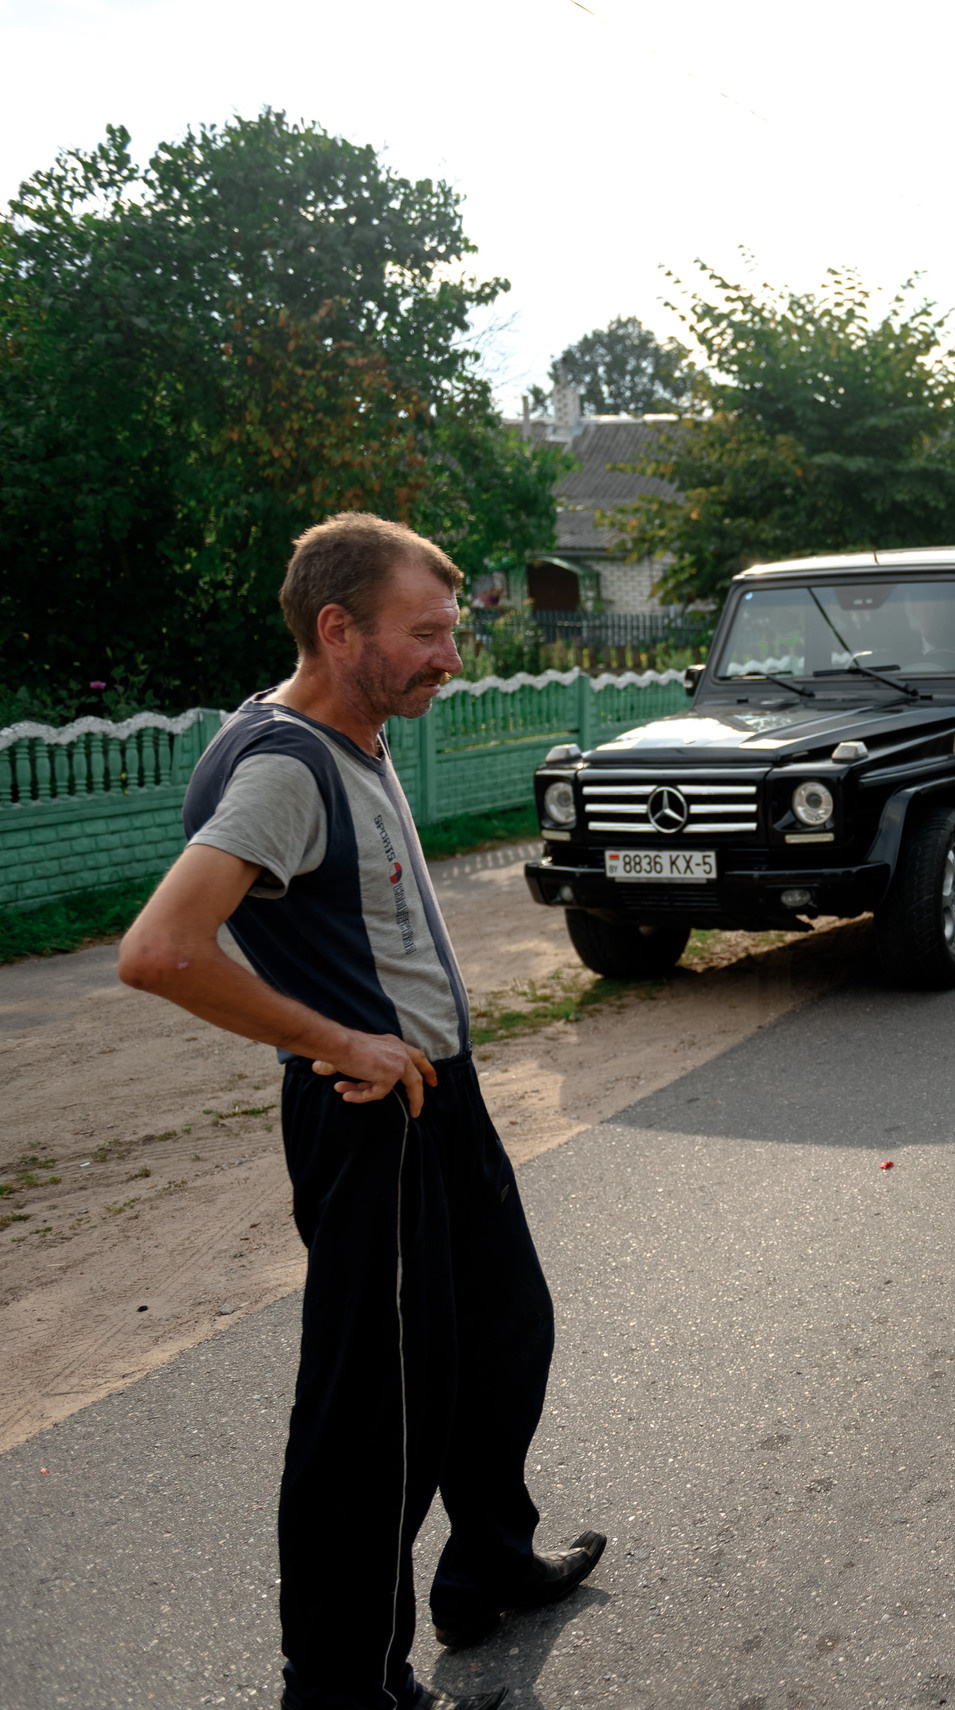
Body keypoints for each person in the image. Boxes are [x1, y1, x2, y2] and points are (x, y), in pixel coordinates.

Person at [118, 513, 607, 1710]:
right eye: (427, 633)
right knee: (373, 1411)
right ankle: (341, 1681)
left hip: (444, 1100)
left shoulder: (356, 730)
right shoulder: (282, 763)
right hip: (369, 1119)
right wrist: (336, 1040)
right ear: (338, 631)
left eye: (452, 632)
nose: (451, 656)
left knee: (504, 1337)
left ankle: (485, 1560)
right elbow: (159, 951)